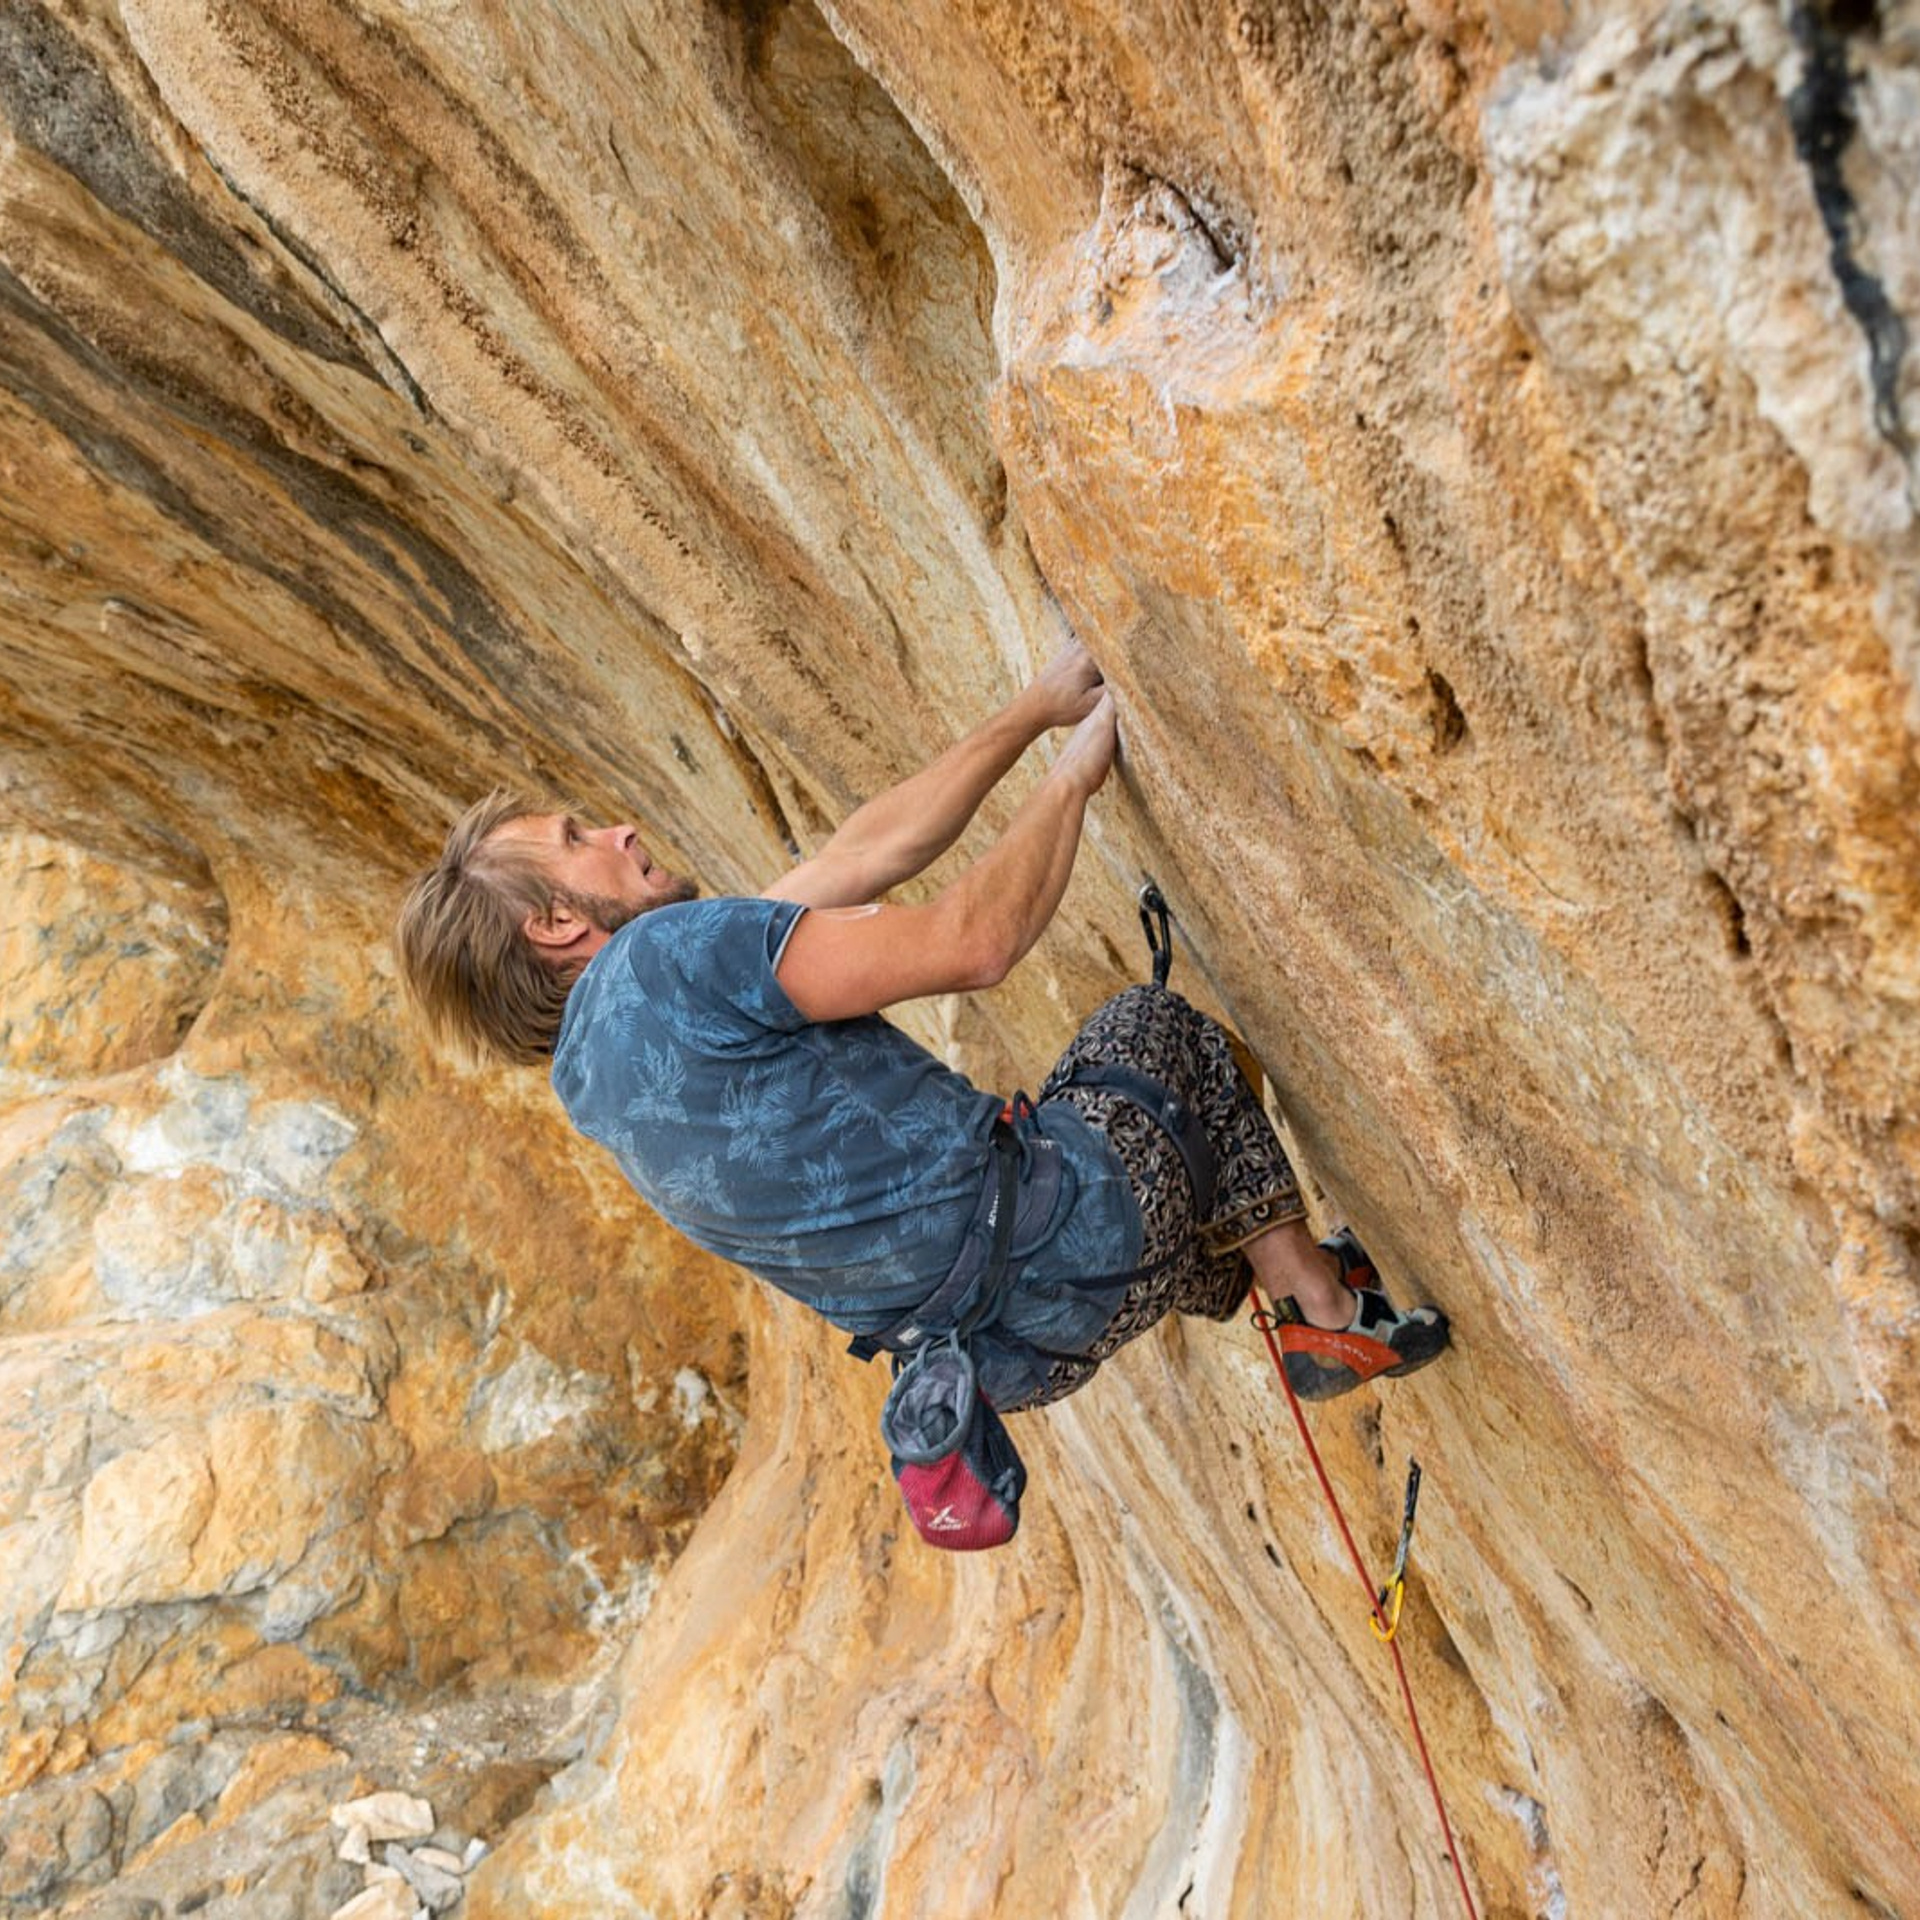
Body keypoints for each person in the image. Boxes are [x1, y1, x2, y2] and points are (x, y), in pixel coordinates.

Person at [394, 645, 1448, 1414]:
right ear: (557, 922)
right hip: (1076, 1239)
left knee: (1100, 1131)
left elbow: (858, 858)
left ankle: (1280, 1290)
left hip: (1010, 1356)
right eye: (578, 840)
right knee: (1155, 1035)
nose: (616, 827)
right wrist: (1075, 770)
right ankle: (1320, 1305)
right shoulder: (668, 958)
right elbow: (974, 943)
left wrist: (1033, 707)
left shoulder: (604, 1081)